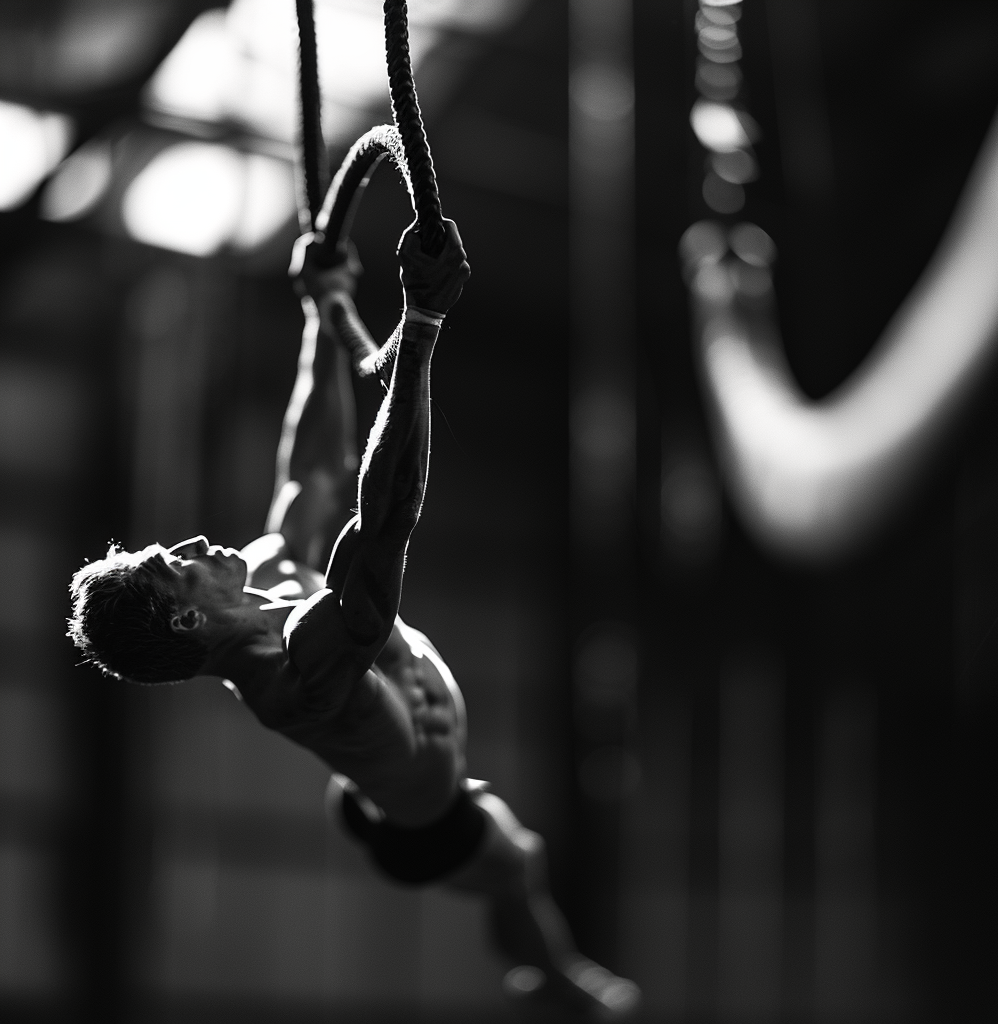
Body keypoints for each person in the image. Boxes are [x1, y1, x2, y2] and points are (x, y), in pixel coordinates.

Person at [68, 218, 640, 1019]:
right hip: (425, 818)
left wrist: (321, 307)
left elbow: (313, 470)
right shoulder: (299, 669)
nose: (197, 543)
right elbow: (384, 516)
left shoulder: (267, 572)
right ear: (187, 624)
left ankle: (545, 974)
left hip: (381, 774)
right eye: (180, 567)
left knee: (516, 866)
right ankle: (554, 979)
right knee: (519, 865)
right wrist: (423, 326)